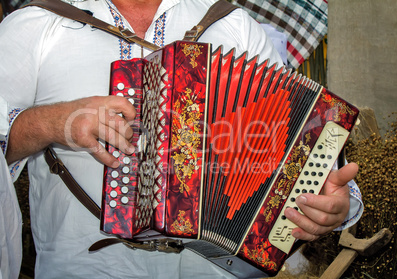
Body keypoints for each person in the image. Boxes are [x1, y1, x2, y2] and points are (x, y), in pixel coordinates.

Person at [0, 0, 362, 278]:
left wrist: (332, 203)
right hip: (88, 267)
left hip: (220, 269)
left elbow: (295, 141)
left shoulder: (232, 22)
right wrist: (50, 122)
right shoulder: (36, 24)